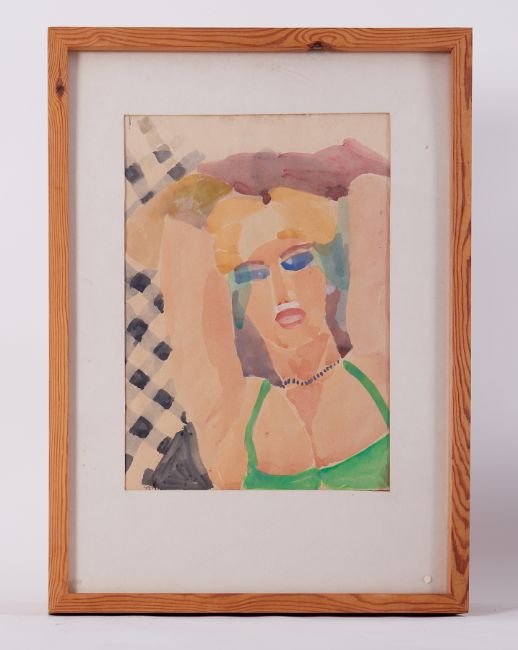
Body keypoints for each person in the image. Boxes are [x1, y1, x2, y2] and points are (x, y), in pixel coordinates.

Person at [127, 139, 390, 489]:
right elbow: (179, 226)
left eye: (297, 261)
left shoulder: (377, 365)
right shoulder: (233, 409)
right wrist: (227, 177)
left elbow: (375, 186)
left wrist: (282, 170)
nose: (282, 291)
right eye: (255, 274)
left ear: (326, 273)